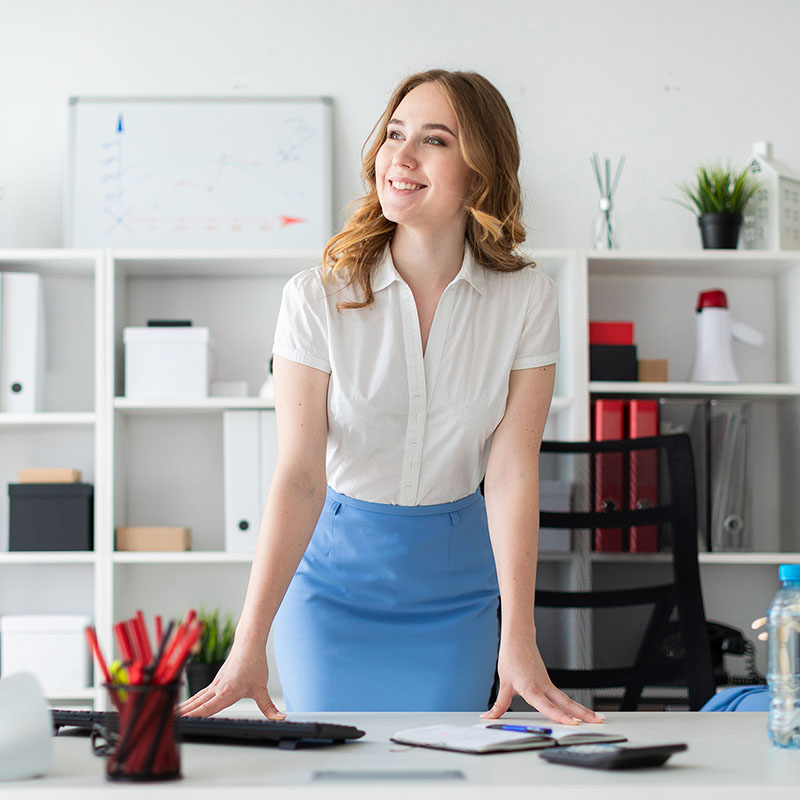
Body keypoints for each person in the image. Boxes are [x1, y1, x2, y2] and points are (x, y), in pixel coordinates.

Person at [179, 69, 602, 725]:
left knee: (441, 774)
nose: (398, 157)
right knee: (334, 772)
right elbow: (297, 477)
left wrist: (519, 635)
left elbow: (514, 472)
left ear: (479, 169)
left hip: (456, 591)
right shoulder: (316, 296)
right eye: (394, 134)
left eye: (432, 140)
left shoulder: (526, 299)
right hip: (331, 589)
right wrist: (247, 643)